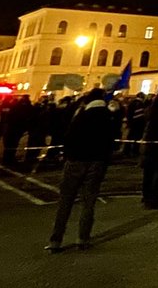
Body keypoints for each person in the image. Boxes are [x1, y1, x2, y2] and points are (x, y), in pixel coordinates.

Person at [45, 89, 113, 252]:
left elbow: (69, 137)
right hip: (97, 162)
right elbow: (111, 142)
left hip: (76, 161)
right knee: (88, 202)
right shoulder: (108, 117)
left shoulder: (82, 115)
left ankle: (56, 240)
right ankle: (83, 238)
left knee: (65, 201)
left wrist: (68, 155)